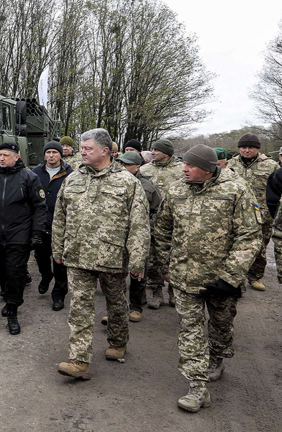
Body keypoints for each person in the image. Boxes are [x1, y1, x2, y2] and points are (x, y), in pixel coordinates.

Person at [153, 144, 261, 413]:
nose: (184, 169)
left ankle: (217, 356)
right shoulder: (177, 190)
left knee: (221, 326)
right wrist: (166, 263)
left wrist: (231, 277)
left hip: (221, 280)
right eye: (184, 164)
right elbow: (163, 229)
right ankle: (197, 388)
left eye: (190, 165)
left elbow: (250, 236)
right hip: (184, 277)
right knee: (190, 332)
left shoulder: (235, 190)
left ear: (208, 169)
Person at [53, 128, 150, 380]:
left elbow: (139, 224)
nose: (82, 152)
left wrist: (138, 259)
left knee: (116, 304)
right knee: (80, 308)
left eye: (88, 149)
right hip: (77, 255)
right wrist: (57, 248)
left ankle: (118, 342)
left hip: (112, 258)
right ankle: (79, 360)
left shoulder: (128, 182)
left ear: (105, 151)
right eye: (82, 148)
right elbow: (59, 217)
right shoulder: (72, 179)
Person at [0, 142, 48, 335]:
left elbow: (40, 207)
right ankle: (10, 297)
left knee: (15, 273)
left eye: (6, 155)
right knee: (0, 272)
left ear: (16, 157)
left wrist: (36, 233)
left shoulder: (29, 178)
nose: (1, 158)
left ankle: (13, 312)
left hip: (19, 234)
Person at [117, 151, 163, 322]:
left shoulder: (147, 186)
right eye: (121, 164)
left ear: (137, 167)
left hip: (139, 235)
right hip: (118, 235)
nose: (123, 167)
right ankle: (117, 308)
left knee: (138, 272)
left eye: (127, 164)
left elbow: (158, 209)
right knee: (116, 274)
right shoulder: (114, 183)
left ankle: (136, 307)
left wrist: (149, 229)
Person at [229, 133, 278, 291]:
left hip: (262, 215)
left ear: (257, 149)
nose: (247, 150)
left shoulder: (271, 166)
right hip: (236, 214)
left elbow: (278, 190)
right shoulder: (231, 164)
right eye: (243, 147)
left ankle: (255, 277)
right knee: (234, 246)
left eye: (251, 147)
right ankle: (236, 279)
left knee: (260, 248)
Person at [139, 138, 184, 308]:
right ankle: (155, 291)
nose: (153, 152)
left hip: (175, 221)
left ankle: (174, 290)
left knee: (175, 255)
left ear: (167, 153)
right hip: (151, 220)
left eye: (156, 150)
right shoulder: (145, 169)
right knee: (152, 257)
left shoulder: (181, 170)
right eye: (152, 149)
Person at [31, 141, 72, 311]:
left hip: (61, 225)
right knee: (40, 257)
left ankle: (59, 294)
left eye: (55, 152)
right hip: (40, 224)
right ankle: (46, 276)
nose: (51, 156)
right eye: (48, 152)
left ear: (61, 154)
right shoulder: (35, 173)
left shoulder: (70, 174)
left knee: (60, 262)